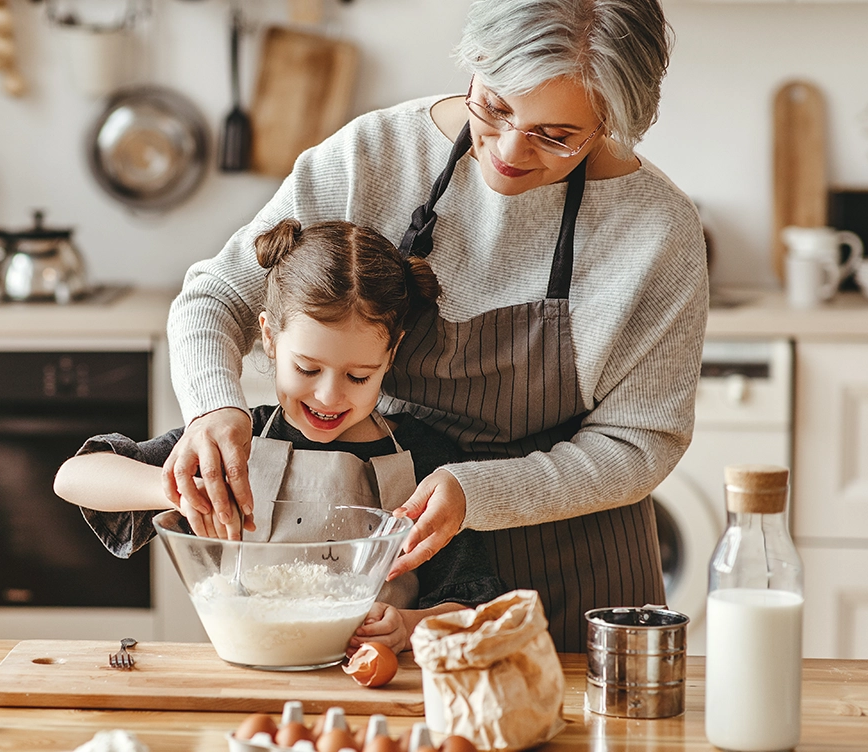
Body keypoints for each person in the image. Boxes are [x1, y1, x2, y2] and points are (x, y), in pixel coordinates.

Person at [161, 0, 709, 653]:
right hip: (398, 584)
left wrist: (475, 490)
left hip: (578, 574)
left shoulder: (657, 231)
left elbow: (641, 444)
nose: (509, 150)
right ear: (474, 64)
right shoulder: (374, 155)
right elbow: (217, 296)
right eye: (495, 106)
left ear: (615, 120)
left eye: (556, 134)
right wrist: (211, 408)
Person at [54, 218, 507, 655]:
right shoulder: (233, 445)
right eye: (307, 369)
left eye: (358, 376)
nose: (329, 396)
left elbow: (472, 604)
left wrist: (408, 627)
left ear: (392, 353)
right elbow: (74, 477)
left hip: (380, 691)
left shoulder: (424, 458)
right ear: (269, 338)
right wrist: (175, 489)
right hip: (251, 675)